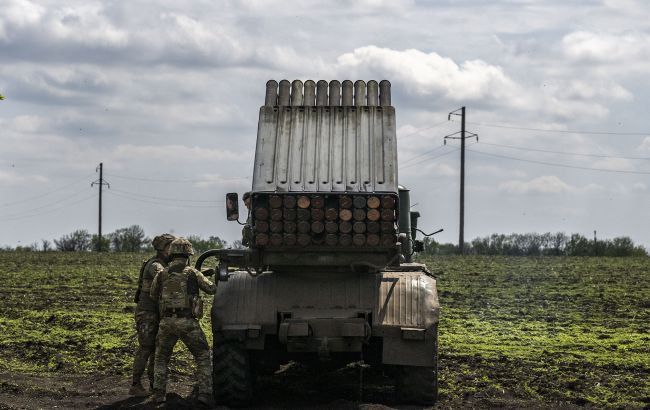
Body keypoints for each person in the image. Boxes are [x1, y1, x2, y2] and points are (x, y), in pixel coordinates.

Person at [150, 237, 217, 406]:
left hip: (166, 322)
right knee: (202, 356)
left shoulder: (161, 273)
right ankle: (205, 395)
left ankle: (159, 395)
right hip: (187, 322)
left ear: (171, 254)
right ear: (188, 254)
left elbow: (152, 294)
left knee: (161, 358)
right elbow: (211, 289)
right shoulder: (192, 272)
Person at [129, 233, 175, 396]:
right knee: (146, 347)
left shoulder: (163, 263)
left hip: (157, 313)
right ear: (163, 249)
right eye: (170, 247)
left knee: (157, 349)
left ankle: (154, 384)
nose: (173, 250)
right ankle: (135, 384)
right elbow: (163, 275)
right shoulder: (155, 265)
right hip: (147, 313)